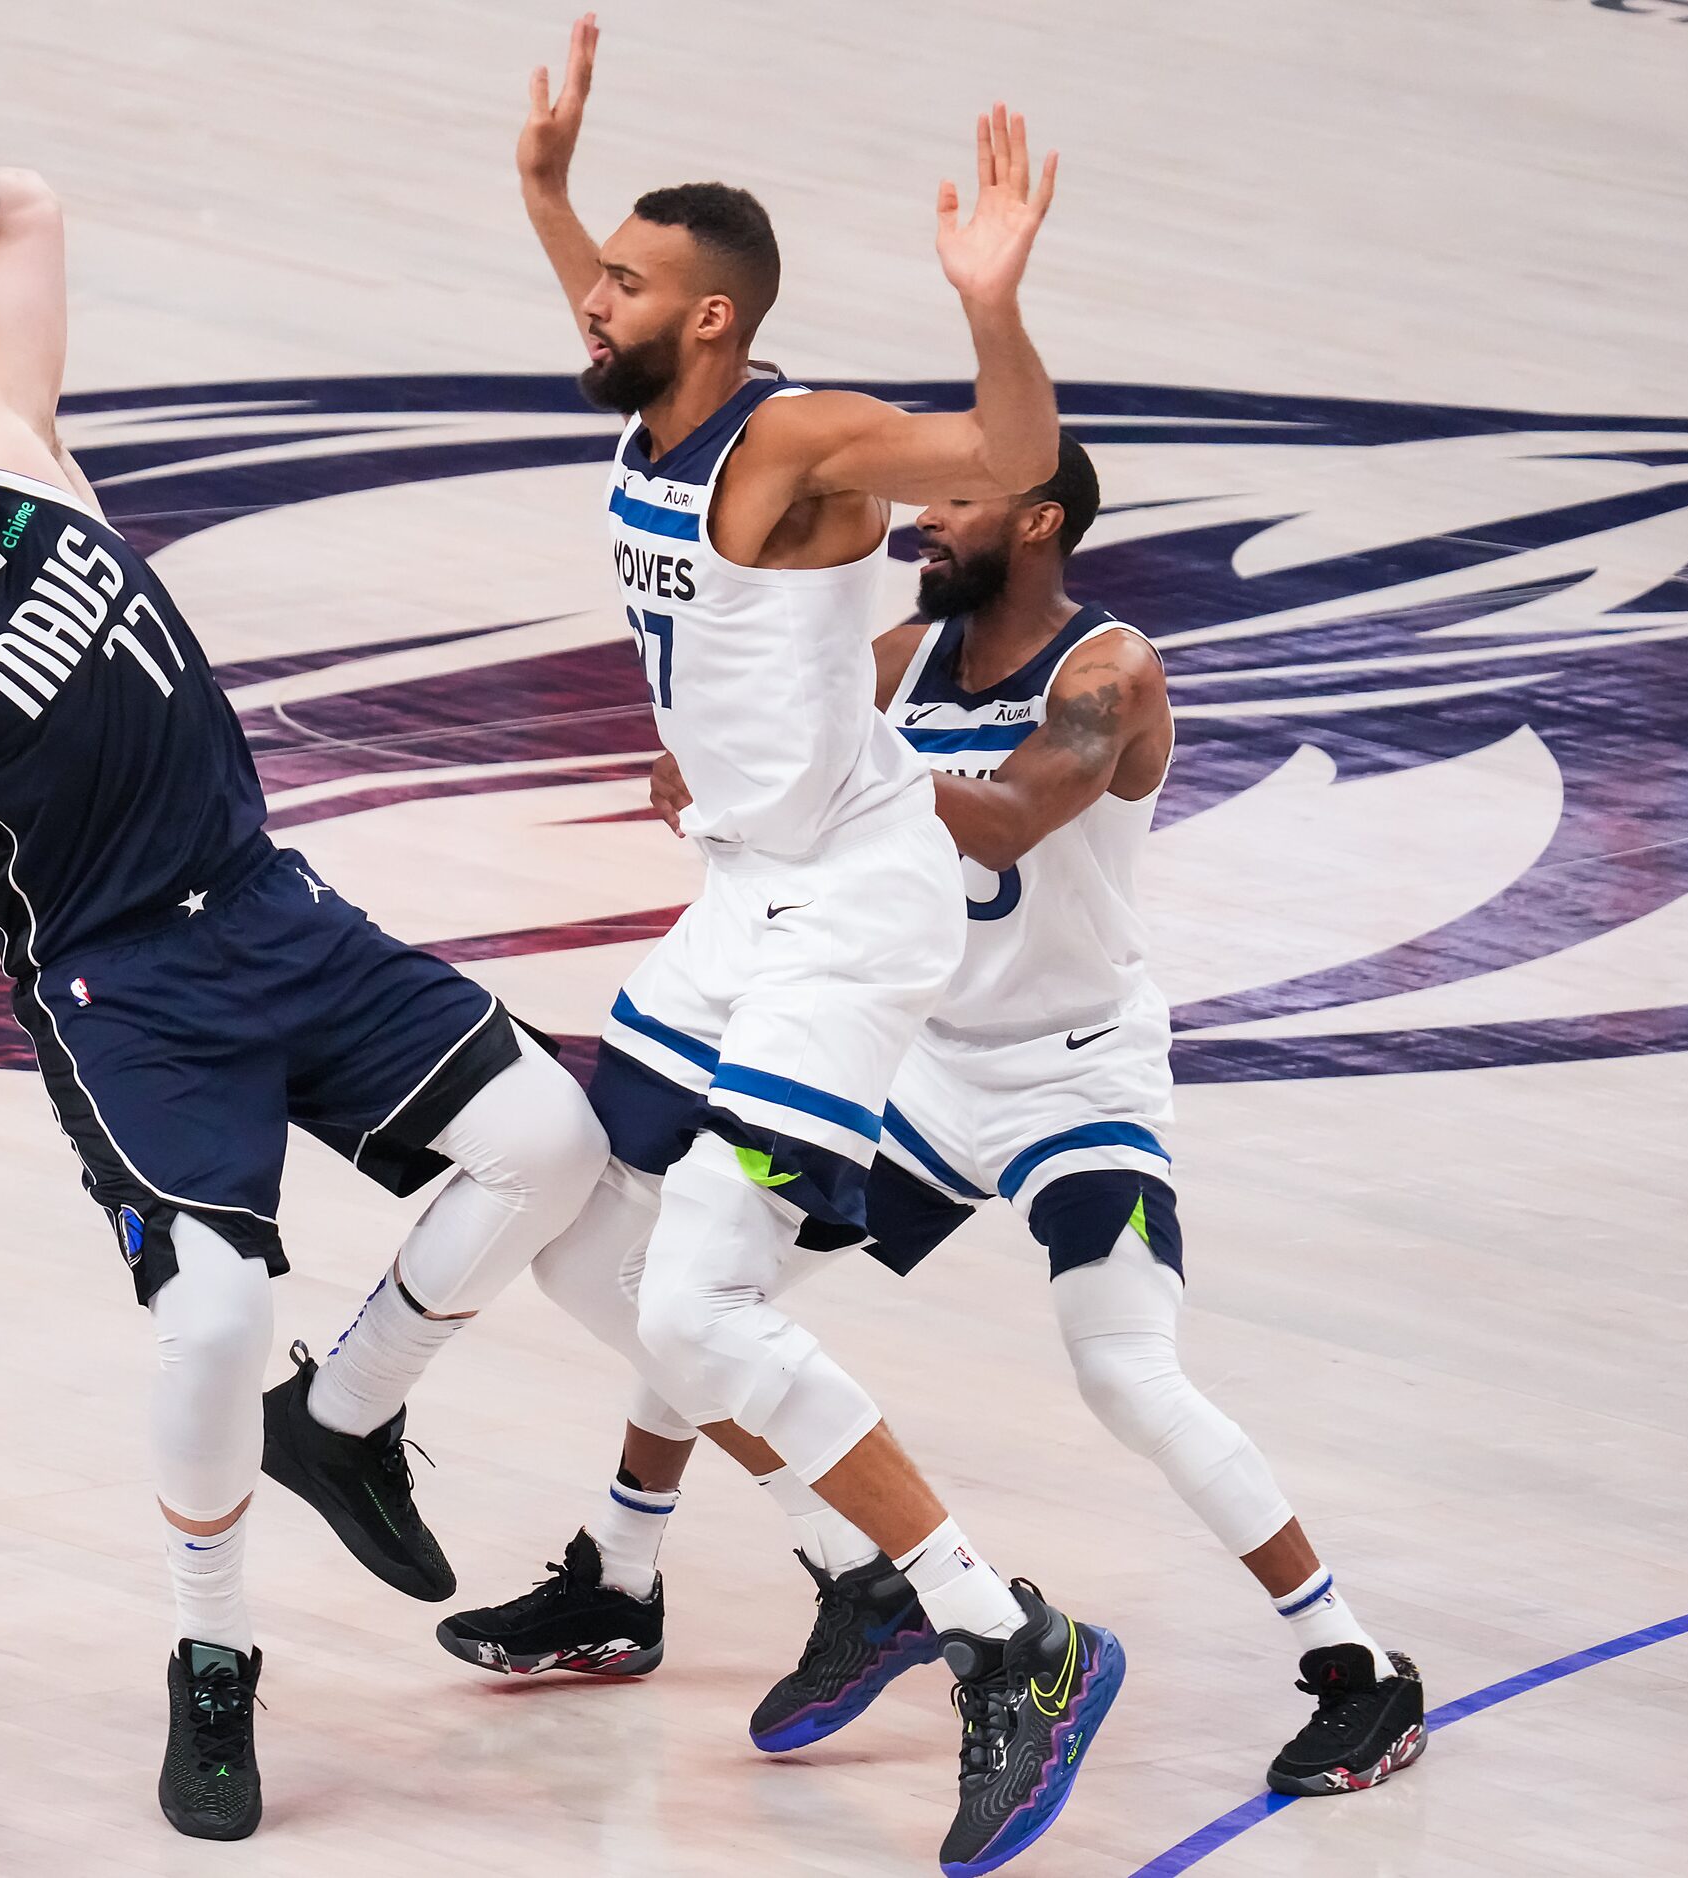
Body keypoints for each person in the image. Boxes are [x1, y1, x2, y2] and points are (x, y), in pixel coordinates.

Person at [0, 161, 606, 1842]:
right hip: (126, 993)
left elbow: (14, 206)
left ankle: (346, 1416)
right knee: (214, 1317)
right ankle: (214, 1658)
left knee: (548, 1135)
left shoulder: (14, 444)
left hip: (269, 904)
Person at [442, 434, 1433, 1801]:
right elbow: (757, 733)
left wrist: (821, 775)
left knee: (1121, 1371)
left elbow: (1016, 812)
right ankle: (620, 1577)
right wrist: (715, 765)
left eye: (956, 498)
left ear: (1035, 519)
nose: (924, 515)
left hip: (1074, 1076)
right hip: (922, 1066)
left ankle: (1354, 1666)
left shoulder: (1109, 672)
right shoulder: (899, 655)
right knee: (700, 1290)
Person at [492, 18, 1118, 1874]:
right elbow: (616, 311)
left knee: (698, 1306)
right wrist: (543, 194)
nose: (589, 297)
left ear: (707, 320)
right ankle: (840, 1569)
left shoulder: (797, 444)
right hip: (736, 899)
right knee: (584, 1233)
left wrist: (994, 302)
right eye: (594, 269)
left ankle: (1007, 1628)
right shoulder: (663, 399)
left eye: (621, 279)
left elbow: (1012, 451)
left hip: (851, 908)